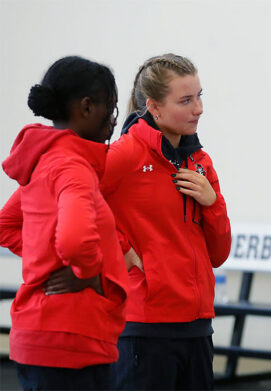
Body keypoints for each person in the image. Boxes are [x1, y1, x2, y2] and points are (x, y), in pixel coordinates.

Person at [101, 53, 231, 390]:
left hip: (198, 326)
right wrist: (122, 249)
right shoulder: (125, 154)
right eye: (186, 100)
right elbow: (78, 206)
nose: (198, 108)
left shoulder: (201, 162)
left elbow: (218, 254)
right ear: (154, 107)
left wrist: (212, 204)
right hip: (144, 326)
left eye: (199, 96)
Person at [0, 56, 128, 390]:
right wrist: (89, 274)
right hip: (71, 339)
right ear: (86, 108)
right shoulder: (73, 167)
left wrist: (49, 257)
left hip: (42, 336)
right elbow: (74, 241)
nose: (113, 122)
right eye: (110, 109)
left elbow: (6, 225)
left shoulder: (47, 160)